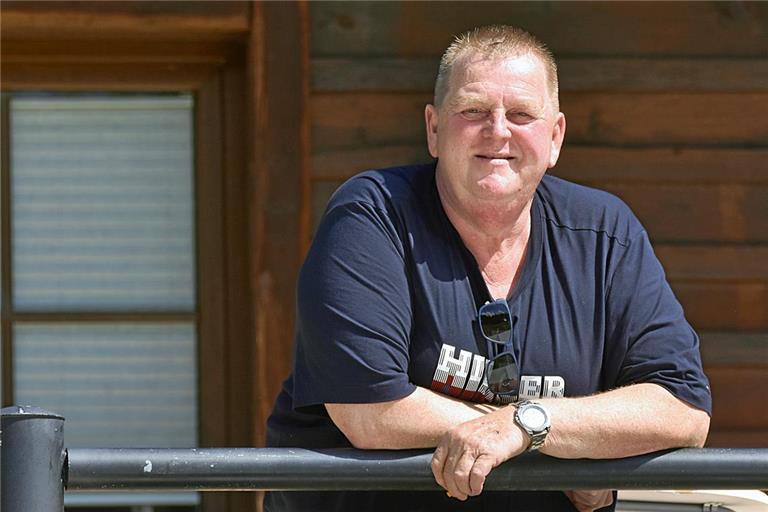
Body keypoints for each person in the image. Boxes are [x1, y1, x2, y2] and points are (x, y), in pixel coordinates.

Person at [264, 25, 711, 512]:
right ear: (434, 129)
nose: (498, 130)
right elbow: (369, 411)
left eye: (521, 114)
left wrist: (524, 426)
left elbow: (683, 409)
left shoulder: (605, 232)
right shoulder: (374, 215)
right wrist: (553, 447)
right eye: (473, 111)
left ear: (555, 136)